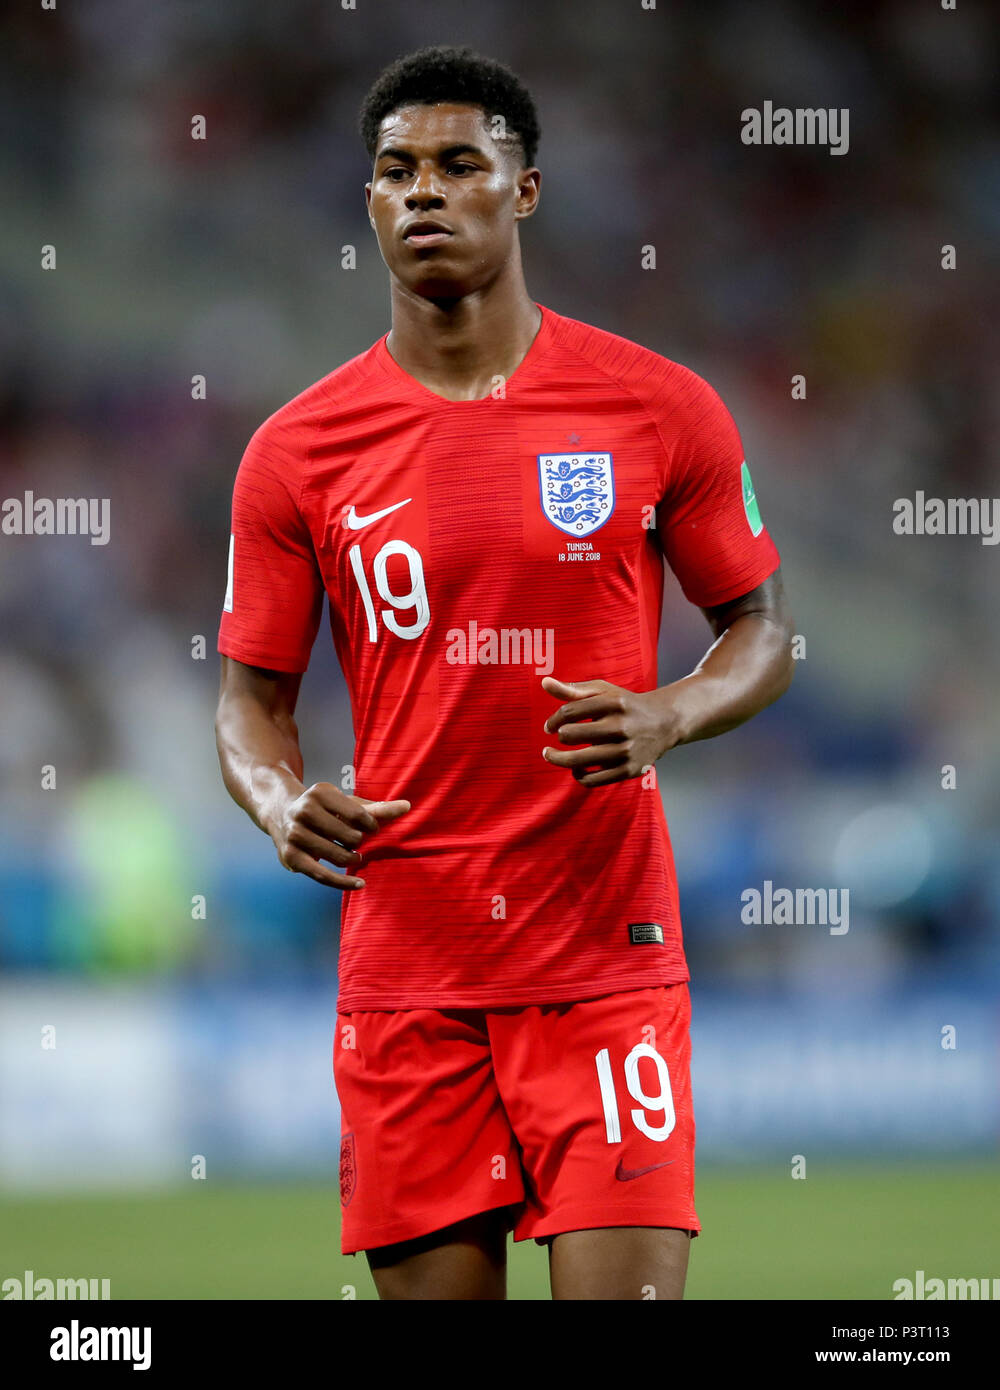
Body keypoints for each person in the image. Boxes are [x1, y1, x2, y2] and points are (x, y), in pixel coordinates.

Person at [215, 44, 794, 1300]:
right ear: (367, 201)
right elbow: (249, 697)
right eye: (393, 170)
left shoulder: (658, 408)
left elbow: (762, 628)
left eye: (458, 164)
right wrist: (276, 799)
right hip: (408, 969)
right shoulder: (295, 453)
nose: (423, 192)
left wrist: (669, 711)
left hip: (603, 956)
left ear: (522, 191)